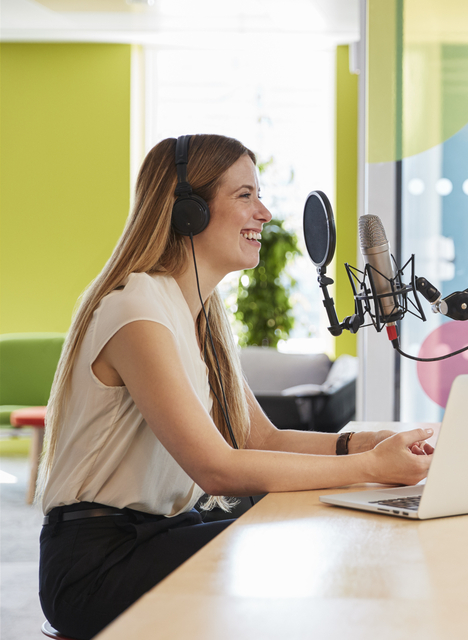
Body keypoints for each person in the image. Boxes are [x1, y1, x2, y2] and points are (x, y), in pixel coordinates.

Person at [36, 135, 434, 640]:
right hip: (98, 564)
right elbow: (217, 468)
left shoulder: (199, 315)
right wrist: (371, 469)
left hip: (158, 535)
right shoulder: (134, 309)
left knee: (313, 527)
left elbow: (260, 440)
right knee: (297, 551)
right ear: (188, 211)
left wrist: (367, 444)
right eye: (245, 195)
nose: (264, 212)